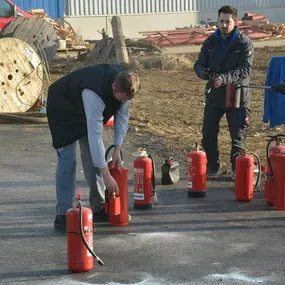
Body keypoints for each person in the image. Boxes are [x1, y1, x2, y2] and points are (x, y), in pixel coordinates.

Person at [46, 63, 140, 230]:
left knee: (93, 156)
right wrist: (106, 175)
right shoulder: (94, 94)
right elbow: (95, 135)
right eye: (121, 99)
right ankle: (63, 214)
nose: (123, 103)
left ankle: (98, 207)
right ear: (113, 87)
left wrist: (118, 148)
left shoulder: (124, 84)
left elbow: (122, 119)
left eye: (126, 100)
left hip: (82, 108)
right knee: (68, 162)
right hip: (62, 108)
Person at [194, 5, 254, 179]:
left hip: (237, 96)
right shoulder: (210, 42)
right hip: (215, 95)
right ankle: (213, 167)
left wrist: (225, 78)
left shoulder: (244, 43)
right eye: (221, 21)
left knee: (238, 136)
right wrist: (203, 73)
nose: (224, 25)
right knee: (208, 134)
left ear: (235, 22)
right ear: (218, 21)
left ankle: (238, 170)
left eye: (228, 21)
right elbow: (198, 65)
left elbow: (245, 69)